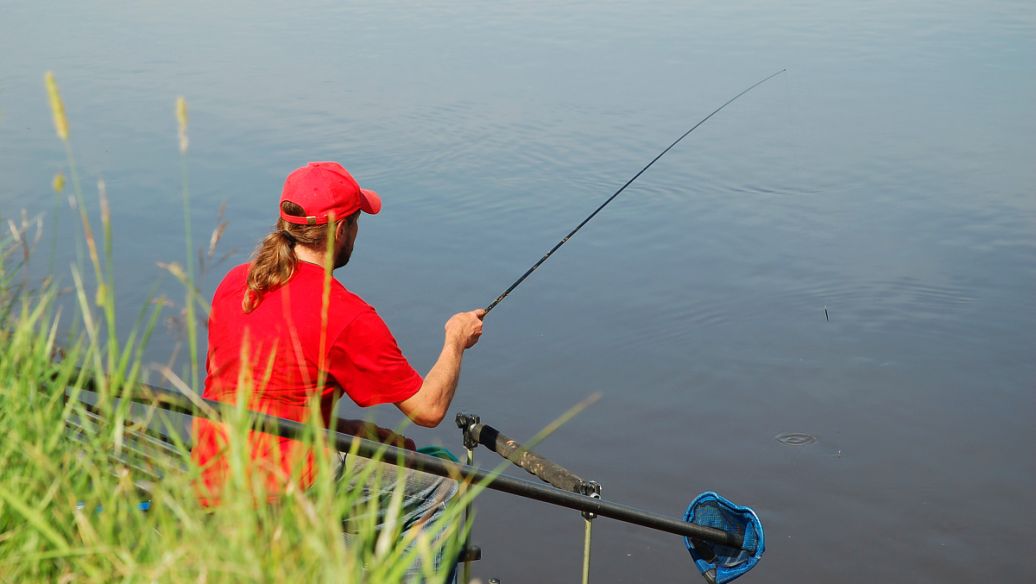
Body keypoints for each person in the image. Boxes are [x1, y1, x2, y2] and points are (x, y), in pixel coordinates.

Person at [191, 161, 484, 573]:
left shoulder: (238, 283)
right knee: (444, 490)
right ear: (342, 230)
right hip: (286, 483)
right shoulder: (343, 313)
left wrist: (349, 431)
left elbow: (267, 395)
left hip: (215, 462)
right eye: (357, 221)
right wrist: (455, 340)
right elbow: (429, 409)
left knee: (428, 458)